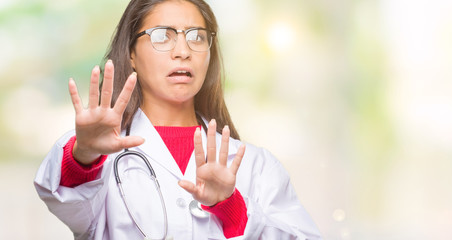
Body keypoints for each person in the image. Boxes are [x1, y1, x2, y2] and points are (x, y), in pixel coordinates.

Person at [34, 0, 322, 239]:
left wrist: (230, 207)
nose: (183, 52)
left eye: (197, 36)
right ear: (132, 52)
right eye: (162, 35)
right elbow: (67, 203)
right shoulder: (102, 157)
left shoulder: (255, 166)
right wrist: (84, 156)